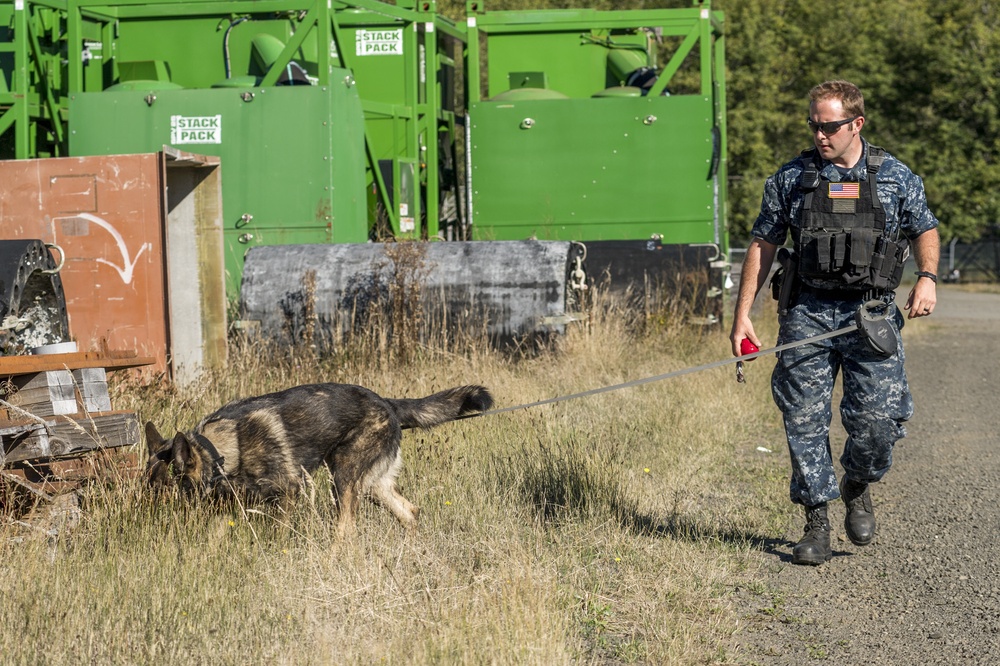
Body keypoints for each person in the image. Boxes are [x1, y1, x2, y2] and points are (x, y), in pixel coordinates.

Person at [730, 80, 940, 566]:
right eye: (814, 125)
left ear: (856, 124)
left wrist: (927, 277)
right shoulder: (792, 179)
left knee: (878, 424)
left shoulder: (894, 176)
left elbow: (924, 226)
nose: (821, 135)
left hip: (871, 313)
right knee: (803, 418)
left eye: (830, 126)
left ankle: (858, 482)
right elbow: (763, 244)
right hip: (806, 312)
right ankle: (816, 522)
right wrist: (743, 314)